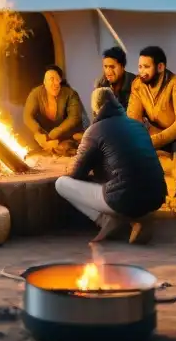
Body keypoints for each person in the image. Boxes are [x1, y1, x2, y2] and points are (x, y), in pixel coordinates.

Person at [56, 87, 167, 244]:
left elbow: (76, 174)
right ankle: (140, 216)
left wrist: (72, 166)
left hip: (124, 198)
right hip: (157, 196)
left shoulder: (94, 130)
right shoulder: (137, 125)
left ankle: (107, 220)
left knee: (61, 183)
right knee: (121, 179)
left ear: (96, 107)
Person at [127, 45, 176, 209]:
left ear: (160, 67)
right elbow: (133, 118)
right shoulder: (138, 85)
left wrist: (152, 141)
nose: (141, 71)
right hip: (154, 137)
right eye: (139, 66)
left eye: (146, 67)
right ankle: (147, 196)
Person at [23, 64, 85, 155]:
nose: (55, 83)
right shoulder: (36, 94)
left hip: (67, 136)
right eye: (51, 79)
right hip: (44, 136)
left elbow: (74, 118)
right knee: (29, 147)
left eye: (58, 79)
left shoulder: (70, 94)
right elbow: (27, 116)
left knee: (65, 148)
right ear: (44, 82)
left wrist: (55, 133)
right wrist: (38, 132)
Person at [94, 45, 137, 110]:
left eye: (112, 67)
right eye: (105, 67)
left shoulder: (135, 83)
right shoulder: (101, 84)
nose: (108, 71)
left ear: (122, 67)